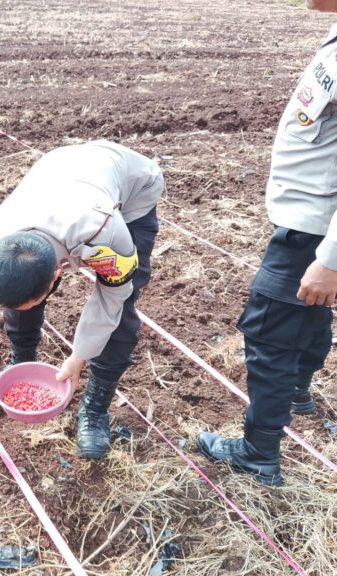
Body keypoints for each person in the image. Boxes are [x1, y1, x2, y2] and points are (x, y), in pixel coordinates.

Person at [0, 140, 163, 462]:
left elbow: (111, 301)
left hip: (132, 188)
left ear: (57, 274)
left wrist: (79, 357)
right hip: (59, 170)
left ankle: (95, 408)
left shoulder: (106, 236)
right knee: (21, 296)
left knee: (122, 309)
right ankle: (22, 363)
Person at [197, 0, 337, 487]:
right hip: (310, 223)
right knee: (308, 310)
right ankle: (298, 390)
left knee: (267, 332)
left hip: (315, 230)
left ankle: (258, 453)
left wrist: (331, 259)